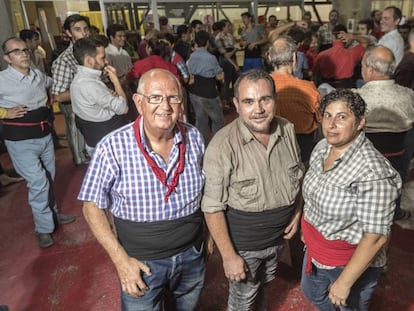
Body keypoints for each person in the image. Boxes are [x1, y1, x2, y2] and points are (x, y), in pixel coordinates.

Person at [79, 69, 206, 310]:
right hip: (141, 263)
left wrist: (206, 243)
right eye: (155, 97)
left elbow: (208, 192)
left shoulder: (195, 137)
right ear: (139, 102)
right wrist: (121, 260)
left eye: (173, 98)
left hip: (192, 255)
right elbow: (91, 206)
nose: (165, 107)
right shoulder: (113, 146)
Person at [202, 69, 304, 311]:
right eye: (248, 101)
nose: (258, 109)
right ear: (236, 105)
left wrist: (297, 211)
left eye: (264, 99)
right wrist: (228, 256)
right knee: (242, 300)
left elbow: (298, 177)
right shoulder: (222, 145)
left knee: (265, 288)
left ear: (274, 100)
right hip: (244, 247)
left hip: (278, 241)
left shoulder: (287, 129)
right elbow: (212, 206)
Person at [300, 89, 401, 311]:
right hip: (317, 248)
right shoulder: (322, 147)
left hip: (346, 260)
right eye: (327, 115)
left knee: (350, 307)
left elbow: (375, 237)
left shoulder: (373, 172)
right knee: (311, 292)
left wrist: (345, 282)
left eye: (342, 117)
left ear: (360, 123)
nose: (331, 124)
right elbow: (312, 194)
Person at [0, 37, 75, 248]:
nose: (23, 54)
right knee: (38, 182)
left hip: (44, 136)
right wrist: (5, 112)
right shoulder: (2, 79)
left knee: (49, 179)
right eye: (16, 52)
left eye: (25, 50)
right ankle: (43, 228)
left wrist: (52, 96)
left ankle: (52, 215)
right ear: (7, 58)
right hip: (20, 141)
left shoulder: (38, 75)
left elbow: (53, 84)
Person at [353, 45, 414, 220]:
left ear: (370, 69)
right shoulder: (409, 95)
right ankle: (394, 212)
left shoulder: (355, 98)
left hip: (364, 165)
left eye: (363, 66)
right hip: (398, 161)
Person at [70, 38, 128, 157]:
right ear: (89, 61)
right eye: (102, 58)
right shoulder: (90, 85)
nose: (106, 61)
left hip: (97, 139)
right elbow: (124, 109)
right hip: (107, 145)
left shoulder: (81, 79)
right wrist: (116, 81)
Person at [268, 35, 321, 163]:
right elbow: (322, 118)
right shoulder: (308, 89)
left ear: (269, 58)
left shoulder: (260, 88)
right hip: (302, 148)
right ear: (294, 58)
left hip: (269, 147)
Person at [51, 14, 90, 165]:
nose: (84, 33)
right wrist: (84, 91)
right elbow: (59, 96)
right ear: (68, 33)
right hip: (72, 104)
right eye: (78, 29)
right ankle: (79, 158)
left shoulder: (93, 51)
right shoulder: (64, 60)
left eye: (86, 29)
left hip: (92, 103)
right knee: (75, 127)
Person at [187, 30, 225, 144]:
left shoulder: (191, 57)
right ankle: (217, 144)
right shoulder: (211, 58)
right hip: (209, 92)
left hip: (194, 92)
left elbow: (190, 75)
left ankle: (201, 145)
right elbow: (219, 76)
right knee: (218, 120)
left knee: (201, 120)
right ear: (207, 42)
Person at [215, 19, 240, 108]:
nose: (229, 27)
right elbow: (226, 55)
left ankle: (235, 99)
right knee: (226, 81)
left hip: (232, 58)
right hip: (225, 61)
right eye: (227, 26)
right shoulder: (219, 37)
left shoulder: (230, 36)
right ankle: (227, 101)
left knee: (236, 80)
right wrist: (235, 50)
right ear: (223, 27)